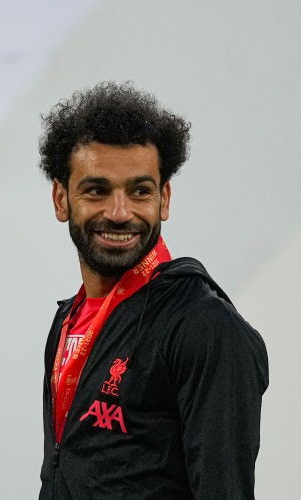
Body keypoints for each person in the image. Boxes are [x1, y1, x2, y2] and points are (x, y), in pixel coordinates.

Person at [37, 81, 269, 499]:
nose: (119, 212)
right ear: (61, 199)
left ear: (164, 199)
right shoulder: (66, 320)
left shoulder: (203, 326)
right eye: (97, 190)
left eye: (139, 191)